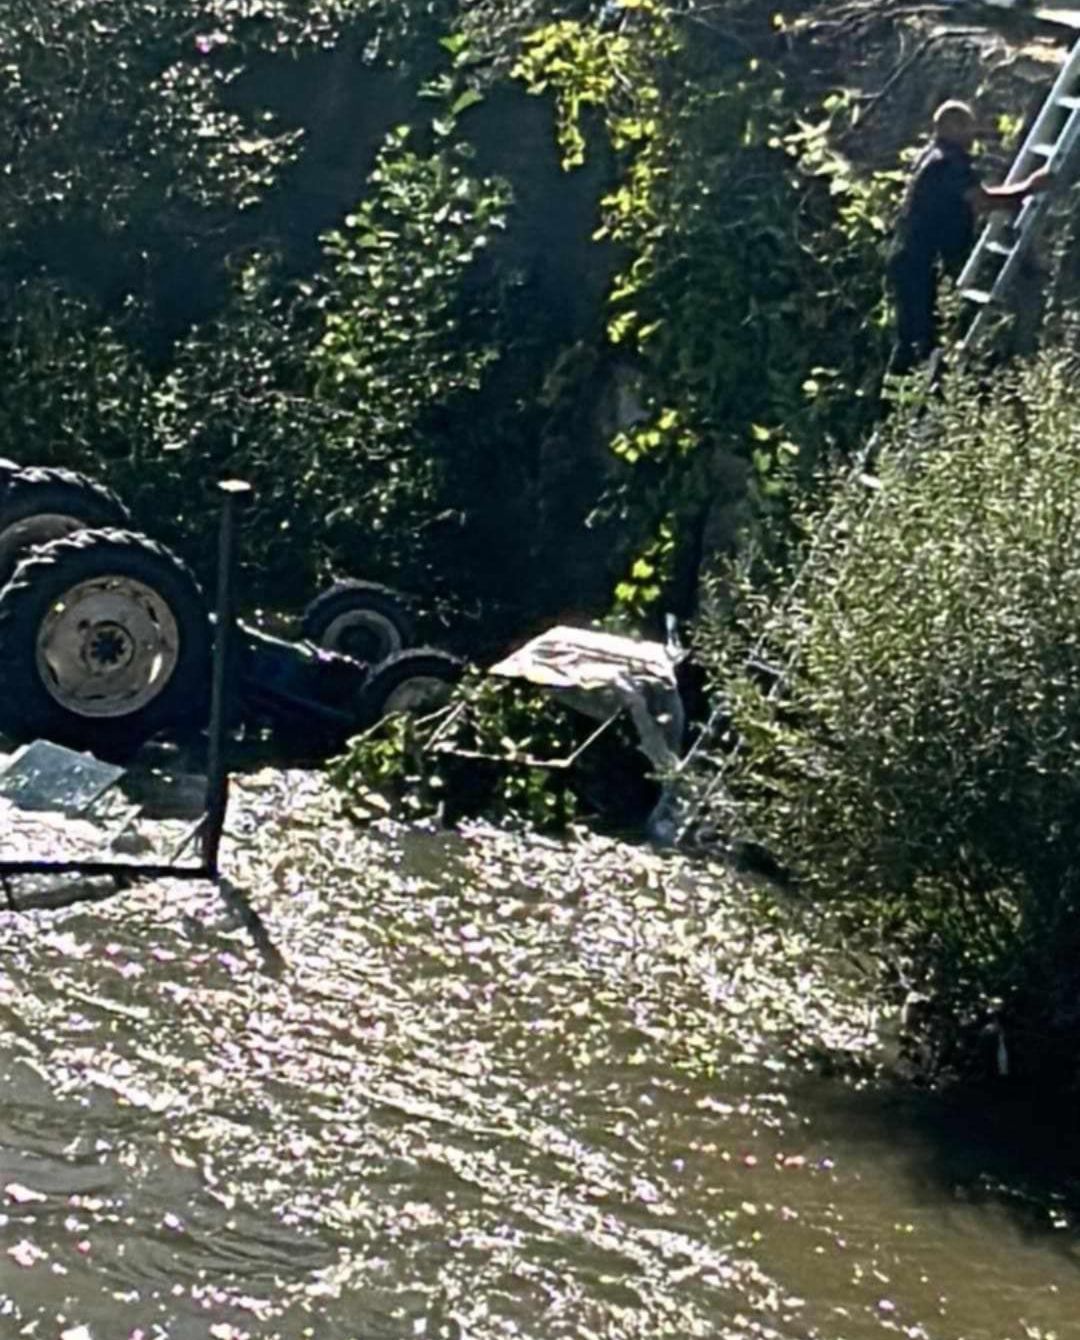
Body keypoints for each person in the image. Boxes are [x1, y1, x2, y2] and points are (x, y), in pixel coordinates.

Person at [887, 100, 1052, 374]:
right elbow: (981, 201)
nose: (972, 132)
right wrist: (1029, 187)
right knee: (918, 337)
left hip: (912, 258)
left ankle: (908, 400)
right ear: (949, 126)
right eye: (966, 126)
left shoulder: (931, 156)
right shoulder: (947, 163)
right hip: (920, 262)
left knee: (918, 334)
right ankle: (904, 403)